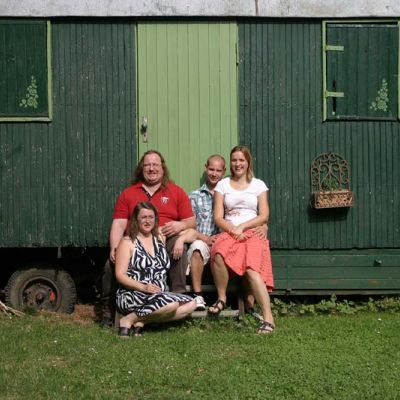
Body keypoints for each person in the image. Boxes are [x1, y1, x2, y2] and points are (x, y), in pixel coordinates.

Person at [101, 150, 196, 327]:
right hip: (135, 241)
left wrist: (179, 225)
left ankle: (177, 296)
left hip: (165, 240)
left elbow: (191, 221)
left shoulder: (176, 191)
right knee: (110, 265)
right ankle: (108, 311)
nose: (151, 169)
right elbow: (119, 223)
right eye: (147, 165)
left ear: (162, 168)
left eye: (155, 165)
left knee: (179, 250)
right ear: (141, 168)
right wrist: (114, 247)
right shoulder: (129, 193)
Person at [208, 145, 275, 334]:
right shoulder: (223, 185)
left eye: (241, 160)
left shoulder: (258, 185)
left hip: (252, 231)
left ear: (248, 162)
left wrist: (243, 227)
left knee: (252, 270)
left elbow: (264, 215)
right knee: (218, 252)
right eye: (234, 160)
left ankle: (268, 318)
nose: (238, 164)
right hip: (230, 231)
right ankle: (222, 298)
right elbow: (218, 217)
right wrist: (233, 229)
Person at [115, 202, 196, 337]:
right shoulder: (128, 241)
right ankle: (128, 320)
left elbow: (193, 233)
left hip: (157, 295)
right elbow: (120, 275)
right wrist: (143, 287)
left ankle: (138, 320)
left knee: (191, 304)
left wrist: (181, 240)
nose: (147, 221)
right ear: (136, 220)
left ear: (155, 219)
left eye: (151, 217)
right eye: (143, 217)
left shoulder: (160, 236)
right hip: (133, 293)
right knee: (171, 305)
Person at [172, 155, 226, 311]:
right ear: (205, 168)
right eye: (211, 169)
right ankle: (197, 295)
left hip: (223, 240)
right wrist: (205, 238)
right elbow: (189, 224)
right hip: (201, 239)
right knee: (197, 247)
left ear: (223, 172)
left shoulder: (228, 194)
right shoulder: (194, 196)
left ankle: (222, 298)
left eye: (218, 171)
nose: (214, 174)